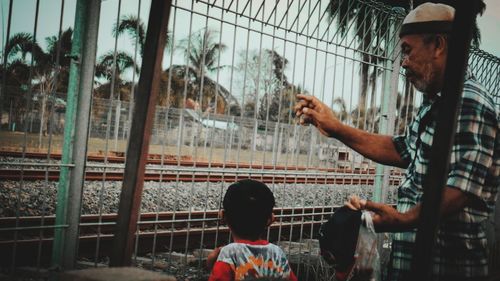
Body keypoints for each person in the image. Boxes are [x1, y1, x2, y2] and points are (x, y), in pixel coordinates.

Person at [294, 3, 499, 281]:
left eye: (407, 50)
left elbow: (461, 191)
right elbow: (402, 149)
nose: (403, 61)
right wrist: (335, 127)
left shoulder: (469, 102)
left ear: (438, 45)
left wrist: (403, 219)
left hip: (447, 268)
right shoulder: (437, 103)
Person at [207, 179, 298, 281]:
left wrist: (212, 267)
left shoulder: (229, 255)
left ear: (222, 216)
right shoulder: (277, 253)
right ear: (271, 219)